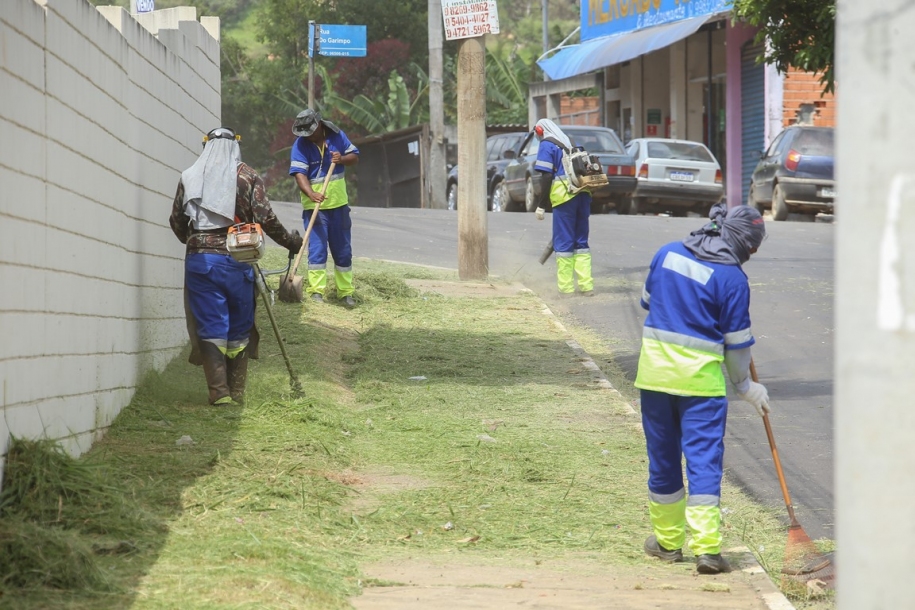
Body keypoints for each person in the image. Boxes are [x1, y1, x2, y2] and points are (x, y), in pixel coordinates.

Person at [635, 203, 768, 575]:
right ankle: (707, 551)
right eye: (753, 249)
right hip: (701, 388)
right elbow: (737, 349)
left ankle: (667, 543)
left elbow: (647, 302)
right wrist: (746, 387)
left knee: (663, 460)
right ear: (744, 244)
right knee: (703, 464)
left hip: (656, 379)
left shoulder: (667, 253)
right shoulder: (733, 280)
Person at [169, 127, 303, 405]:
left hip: (200, 263)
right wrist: (290, 242)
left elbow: (177, 220)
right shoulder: (247, 176)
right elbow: (266, 218)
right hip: (237, 260)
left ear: (206, 145)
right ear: (235, 147)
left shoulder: (189, 176)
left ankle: (219, 393)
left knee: (210, 323)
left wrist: (195, 241)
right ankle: (237, 391)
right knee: (239, 324)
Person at [289, 108, 360, 307]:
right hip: (314, 208)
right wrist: (311, 194)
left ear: (319, 125)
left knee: (343, 250)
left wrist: (341, 159)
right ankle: (316, 291)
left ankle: (345, 292)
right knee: (317, 250)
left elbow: (354, 157)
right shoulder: (300, 145)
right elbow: (299, 174)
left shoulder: (338, 136)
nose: (308, 136)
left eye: (310, 131)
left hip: (338, 205)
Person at [532, 118, 594, 296]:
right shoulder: (572, 144)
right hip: (583, 195)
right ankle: (586, 286)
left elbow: (545, 177)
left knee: (564, 243)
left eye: (536, 133)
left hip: (565, 198)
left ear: (540, 130)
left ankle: (566, 288)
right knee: (581, 242)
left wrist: (541, 205)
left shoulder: (547, 145)